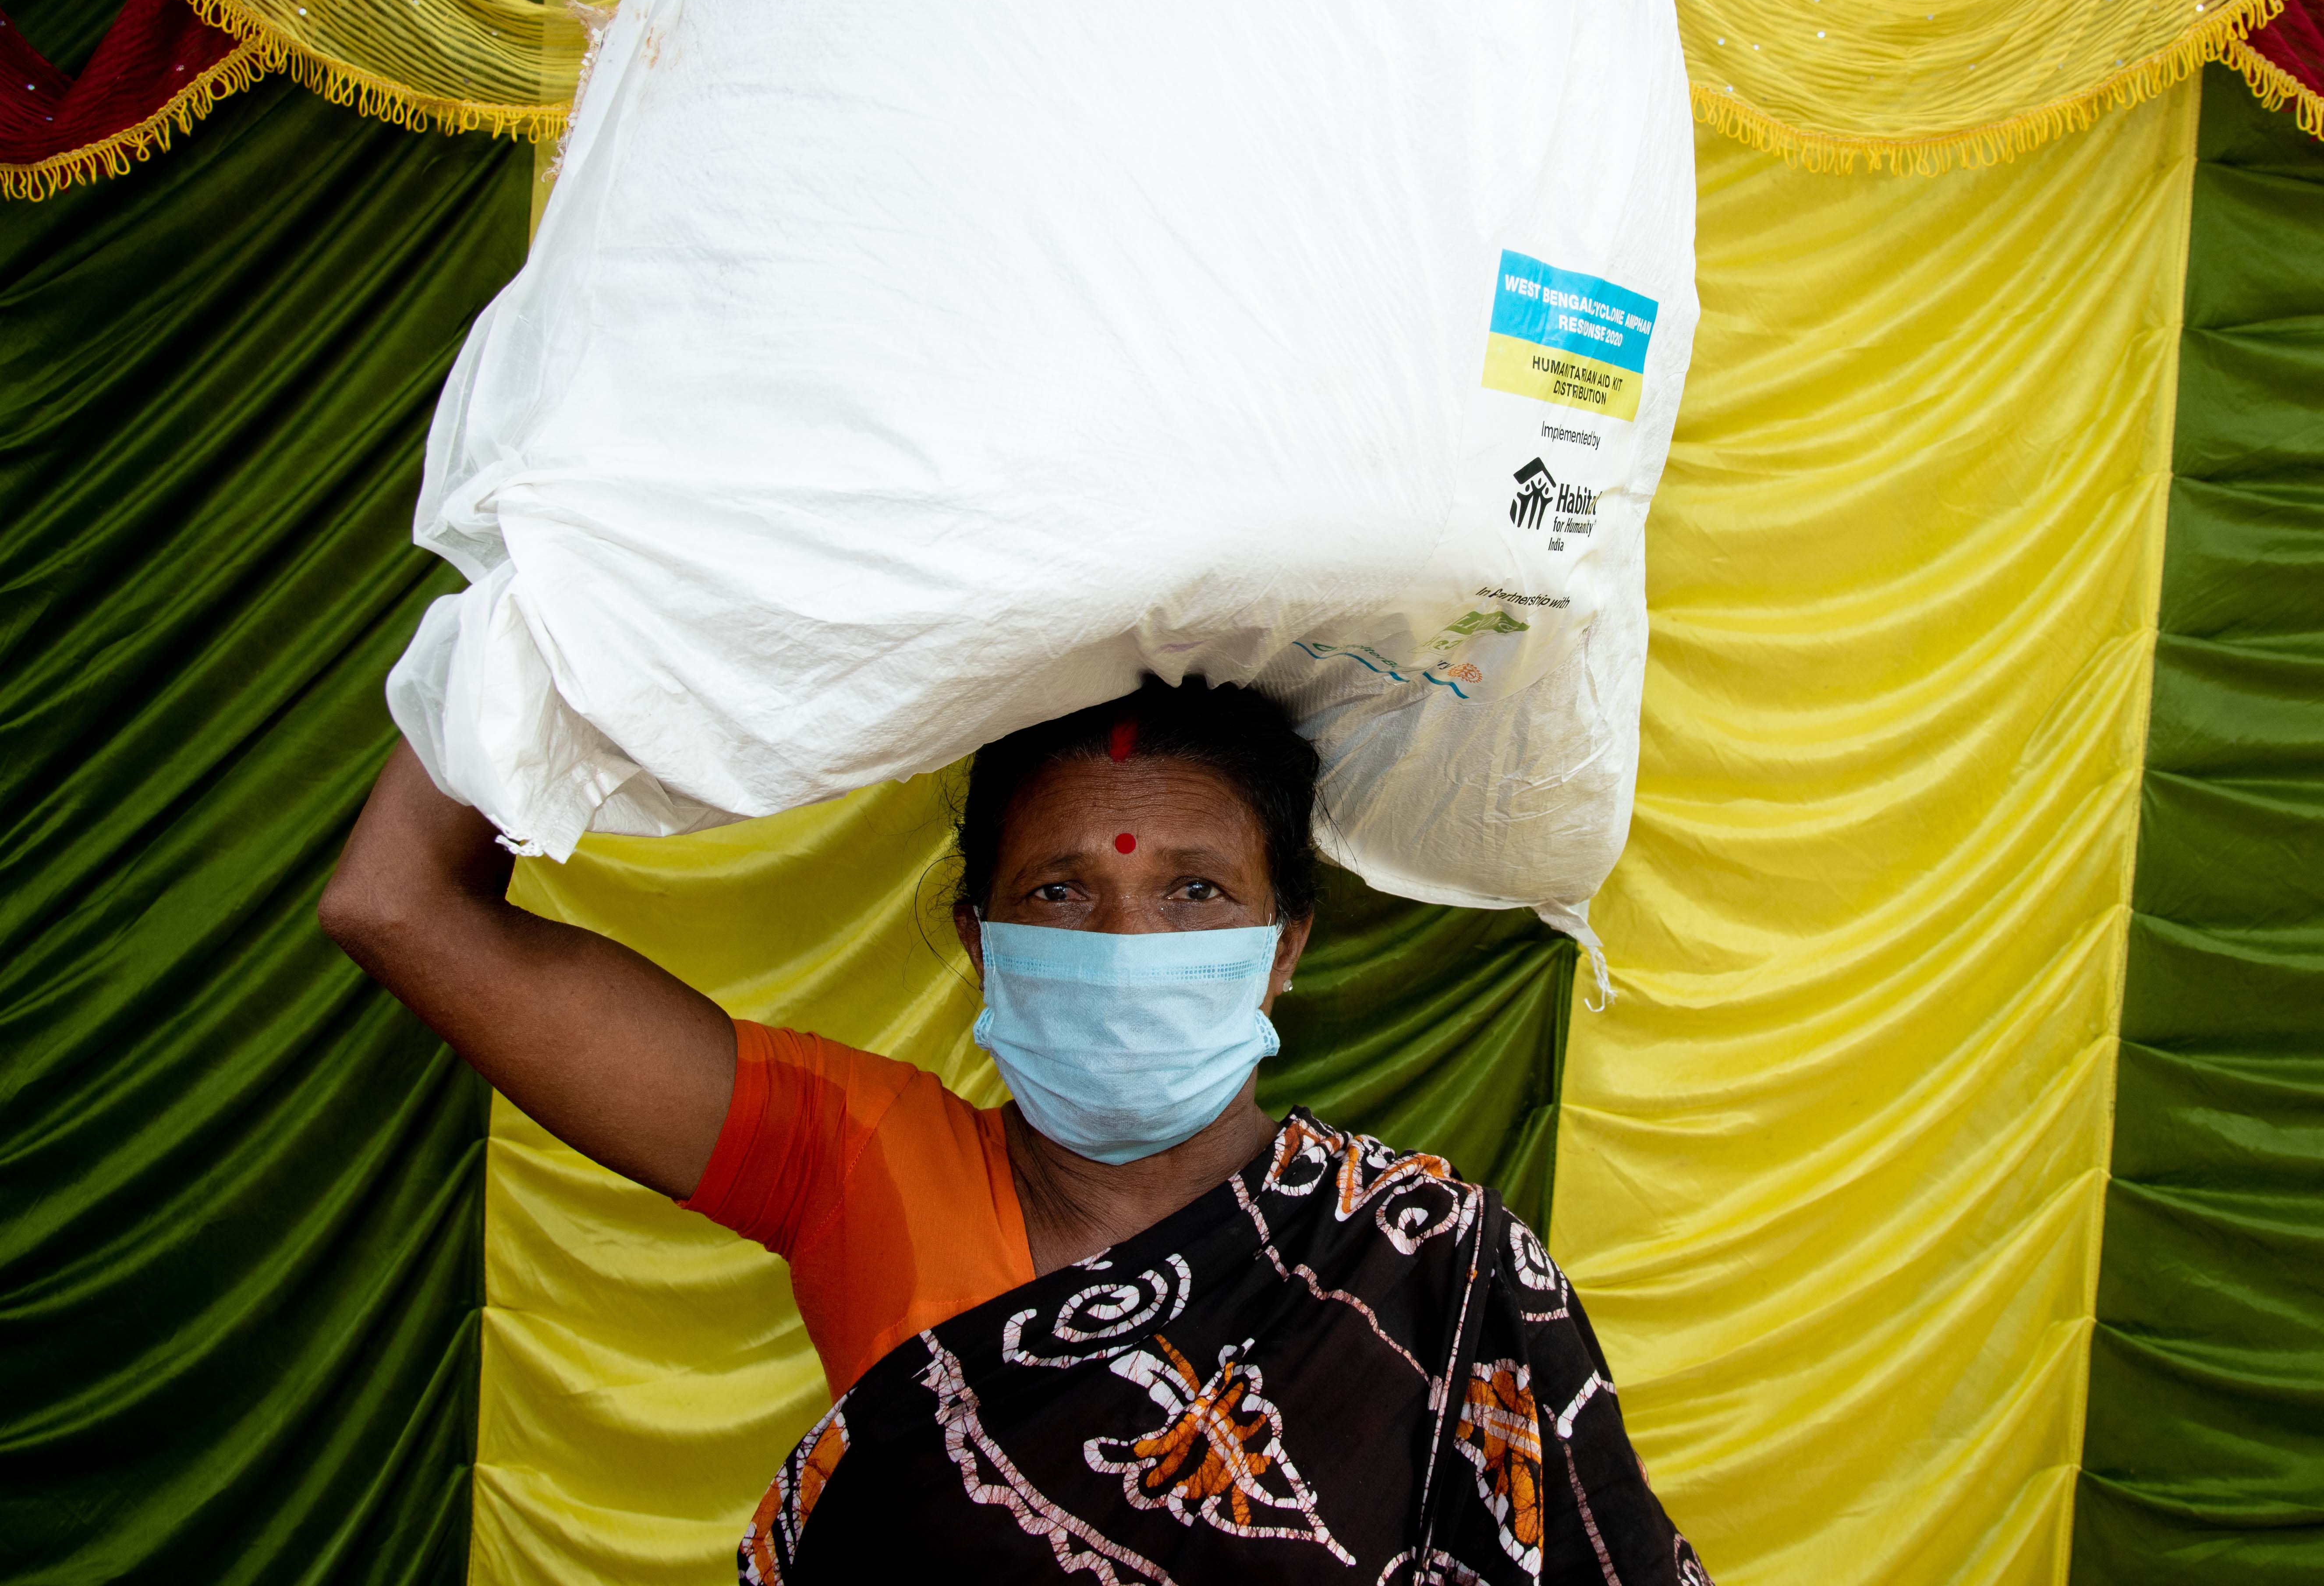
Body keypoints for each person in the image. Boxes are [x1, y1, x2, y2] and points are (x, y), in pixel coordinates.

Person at [321, 676, 1704, 1583]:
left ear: (1284, 950)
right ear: (980, 944)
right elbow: (398, 907)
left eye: (1195, 894)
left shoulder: (1433, 1271)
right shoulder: (854, 1160)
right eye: (1058, 891)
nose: (1123, 934)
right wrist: (562, 610)